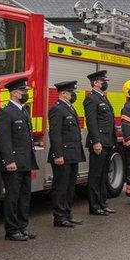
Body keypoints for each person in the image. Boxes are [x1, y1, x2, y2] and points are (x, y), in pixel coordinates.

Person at [0, 77, 39, 241]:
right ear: (14, 93)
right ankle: (12, 230)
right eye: (23, 91)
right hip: (14, 163)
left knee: (24, 196)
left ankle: (22, 227)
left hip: (25, 161)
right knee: (12, 198)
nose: (25, 94)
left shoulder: (23, 110)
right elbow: (3, 139)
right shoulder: (5, 112)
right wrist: (9, 161)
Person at [48, 80, 84, 227]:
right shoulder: (57, 109)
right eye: (71, 92)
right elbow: (55, 134)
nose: (73, 95)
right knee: (61, 187)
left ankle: (67, 213)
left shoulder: (69, 107)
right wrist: (58, 155)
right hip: (63, 154)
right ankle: (59, 216)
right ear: (63, 93)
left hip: (72, 153)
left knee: (70, 187)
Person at [83, 70, 116, 216]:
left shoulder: (103, 98)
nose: (105, 83)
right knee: (95, 175)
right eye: (103, 81)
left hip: (107, 142)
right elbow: (92, 123)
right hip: (99, 143)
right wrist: (96, 141)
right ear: (96, 82)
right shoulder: (91, 99)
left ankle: (103, 203)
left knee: (103, 174)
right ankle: (95, 206)